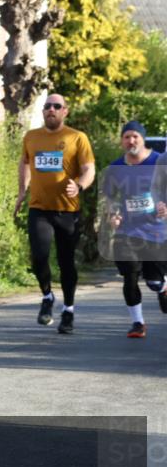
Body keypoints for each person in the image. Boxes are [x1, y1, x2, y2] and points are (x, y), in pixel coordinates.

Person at [14, 93, 95, 334]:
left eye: (56, 106)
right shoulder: (31, 137)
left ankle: (68, 310)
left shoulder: (77, 138)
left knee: (66, 262)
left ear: (65, 111)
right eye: (47, 106)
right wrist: (21, 192)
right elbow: (25, 162)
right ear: (43, 111)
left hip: (67, 211)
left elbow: (89, 169)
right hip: (39, 208)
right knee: (39, 257)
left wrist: (79, 185)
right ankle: (47, 296)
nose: (51, 109)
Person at [102, 120, 167, 338]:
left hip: (158, 231)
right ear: (121, 141)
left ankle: (162, 287)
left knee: (154, 281)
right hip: (128, 231)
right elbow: (110, 197)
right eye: (126, 137)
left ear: (143, 139)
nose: (131, 141)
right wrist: (113, 213)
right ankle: (138, 323)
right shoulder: (116, 168)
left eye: (135, 136)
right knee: (129, 274)